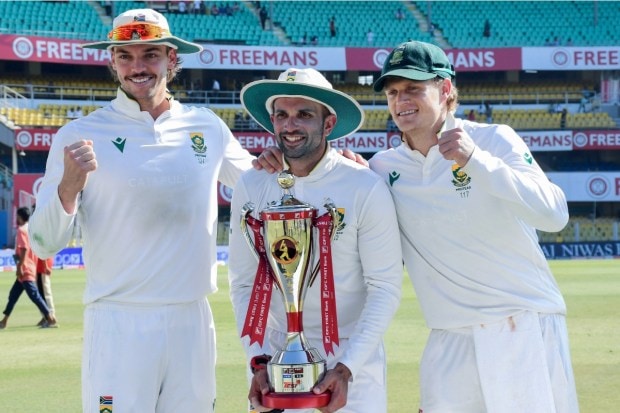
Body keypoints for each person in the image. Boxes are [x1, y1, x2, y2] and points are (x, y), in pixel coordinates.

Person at [28, 9, 260, 413]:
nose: (138, 67)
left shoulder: (206, 126)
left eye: (150, 54)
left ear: (172, 59)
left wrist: (332, 166)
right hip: (119, 322)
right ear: (112, 62)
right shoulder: (80, 134)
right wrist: (68, 187)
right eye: (126, 56)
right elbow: (45, 244)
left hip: (192, 319)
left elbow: (264, 187)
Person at [369, 40, 579, 412]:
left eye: (414, 89)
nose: (401, 100)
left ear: (446, 88)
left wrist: (476, 161)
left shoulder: (492, 139)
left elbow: (554, 214)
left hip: (520, 323)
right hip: (448, 334)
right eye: (393, 92)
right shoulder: (382, 168)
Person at [228, 68, 403, 413]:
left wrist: (347, 367)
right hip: (278, 356)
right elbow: (243, 283)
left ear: (328, 123)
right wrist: (259, 361)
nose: (290, 126)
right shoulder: (252, 184)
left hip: (351, 358)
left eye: (304, 115)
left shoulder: (363, 185)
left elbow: (384, 287)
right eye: (282, 115)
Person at [0, 207, 57, 330]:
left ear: (20, 217)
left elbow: (24, 249)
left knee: (34, 296)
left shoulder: (21, 230)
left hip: (25, 269)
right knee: (13, 295)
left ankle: (50, 318)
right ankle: (4, 320)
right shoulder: (32, 230)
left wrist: (20, 267)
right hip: (31, 266)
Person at [35, 255, 55, 326]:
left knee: (45, 294)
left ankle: (51, 317)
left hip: (42, 267)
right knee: (42, 293)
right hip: (40, 267)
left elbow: (43, 252)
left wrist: (45, 266)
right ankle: (45, 316)